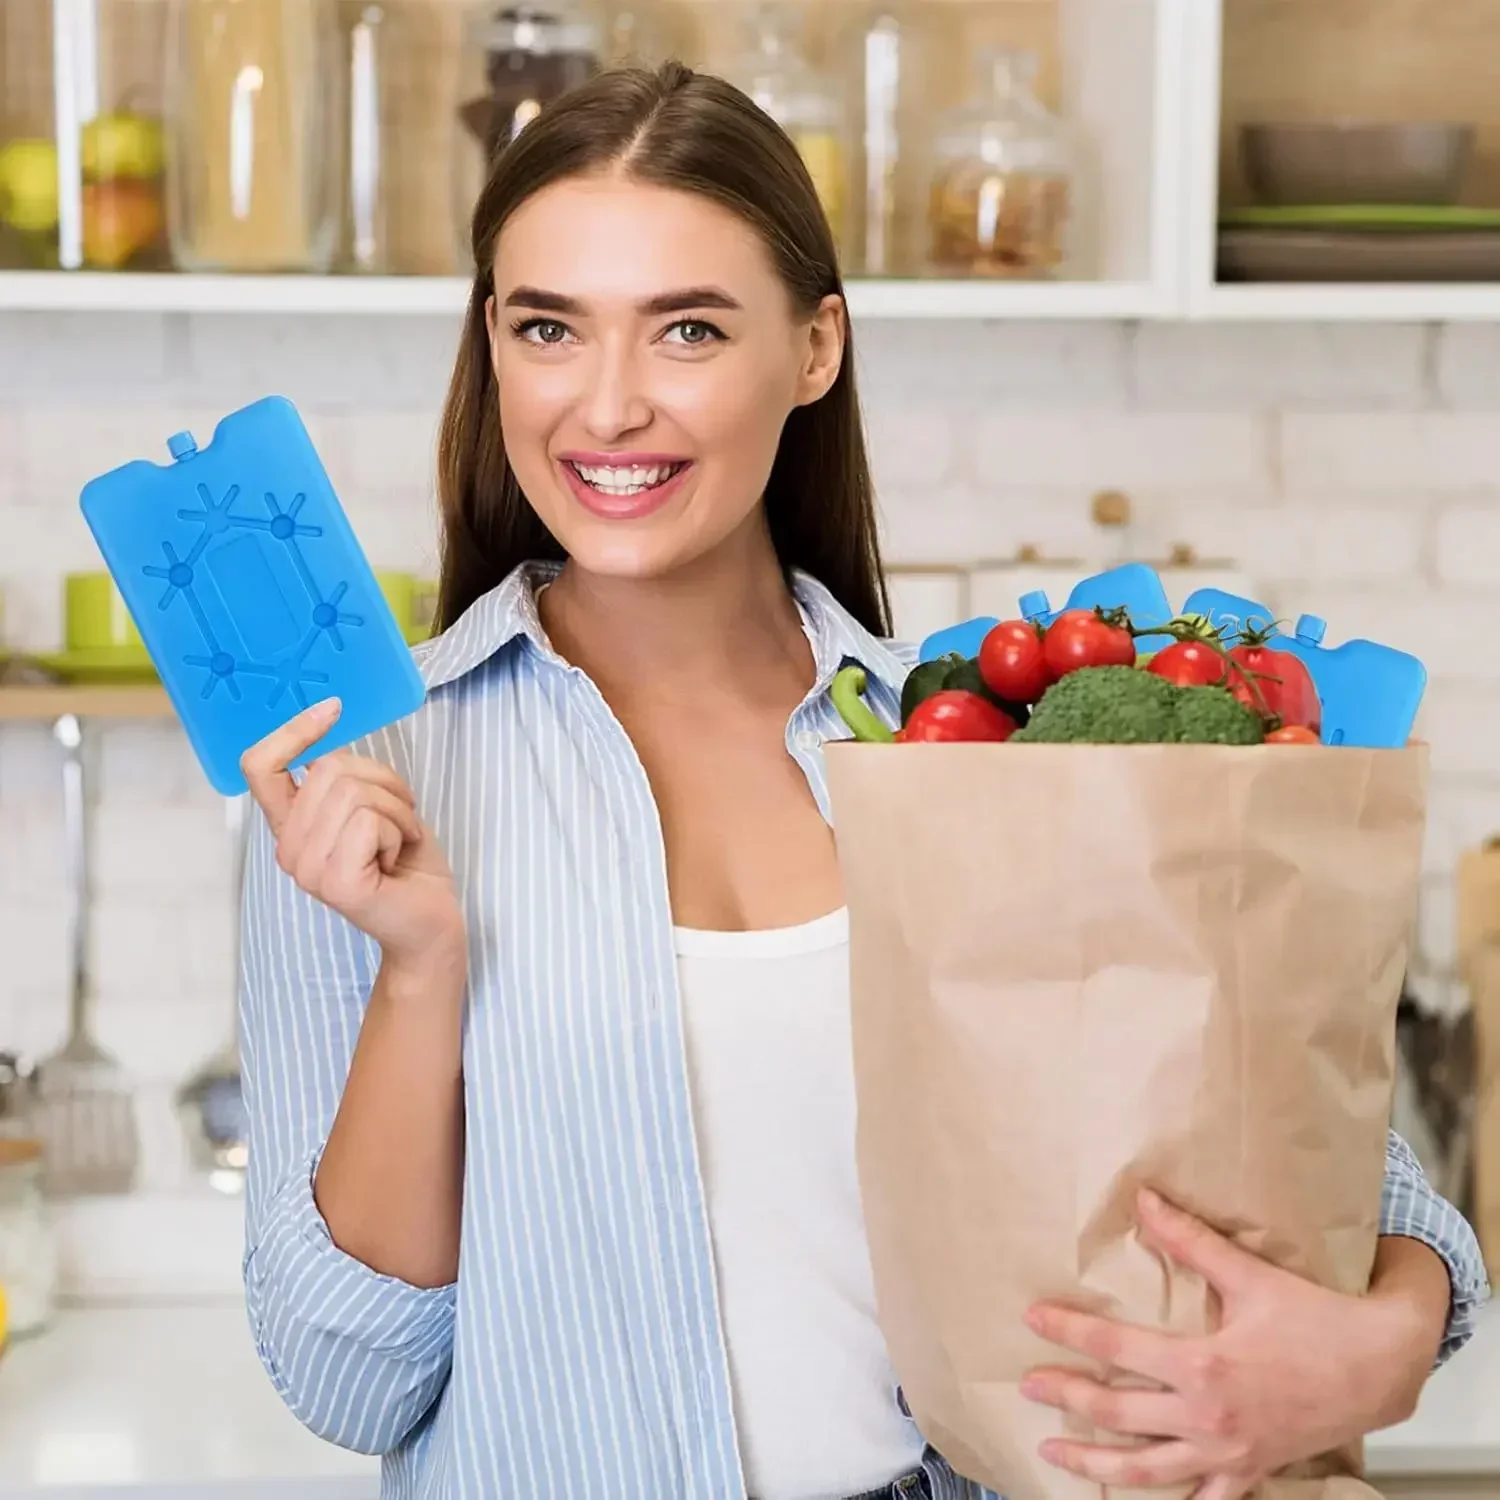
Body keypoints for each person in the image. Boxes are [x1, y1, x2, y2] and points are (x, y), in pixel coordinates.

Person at [237, 61, 1489, 1500]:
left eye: (689, 329)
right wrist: (419, 974)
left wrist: (1383, 1346)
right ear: (494, 347)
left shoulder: (961, 743)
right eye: (549, 328)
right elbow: (349, 1378)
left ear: (815, 347)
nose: (609, 405)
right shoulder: (371, 778)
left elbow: (1335, 1171)